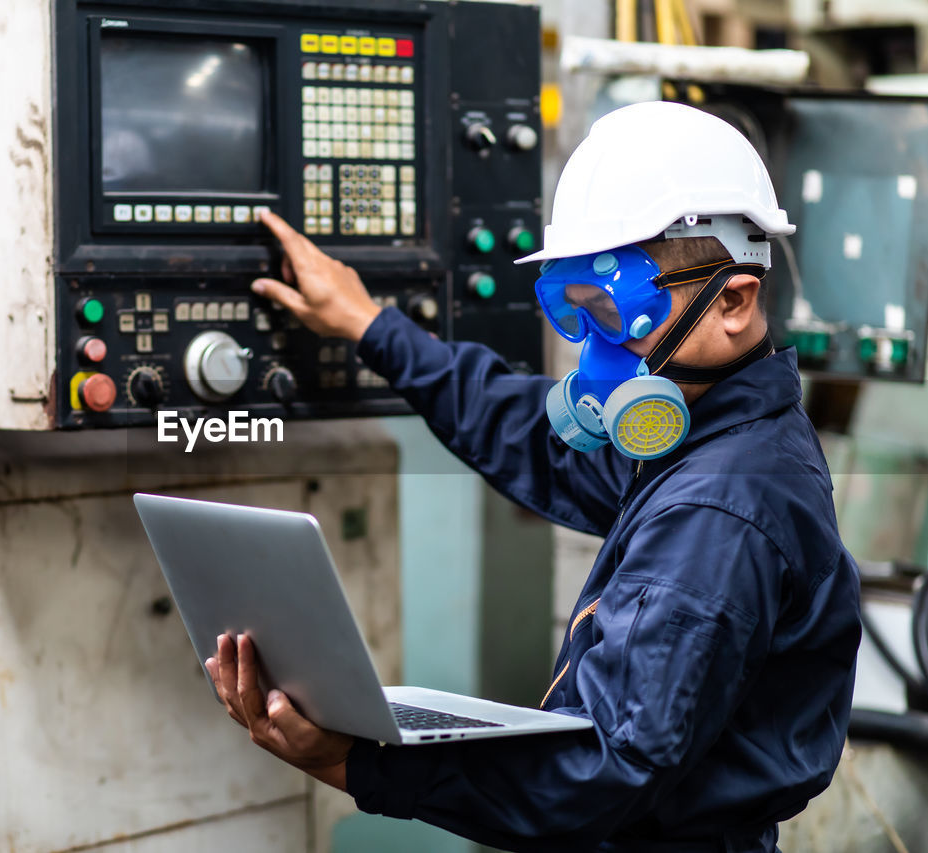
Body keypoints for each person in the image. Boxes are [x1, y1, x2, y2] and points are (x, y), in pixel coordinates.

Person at [204, 102, 861, 852]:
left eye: (615, 312)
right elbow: (535, 439)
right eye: (575, 311)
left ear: (735, 302)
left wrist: (356, 763)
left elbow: (602, 768)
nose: (596, 352)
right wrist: (369, 326)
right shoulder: (701, 435)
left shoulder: (721, 507)